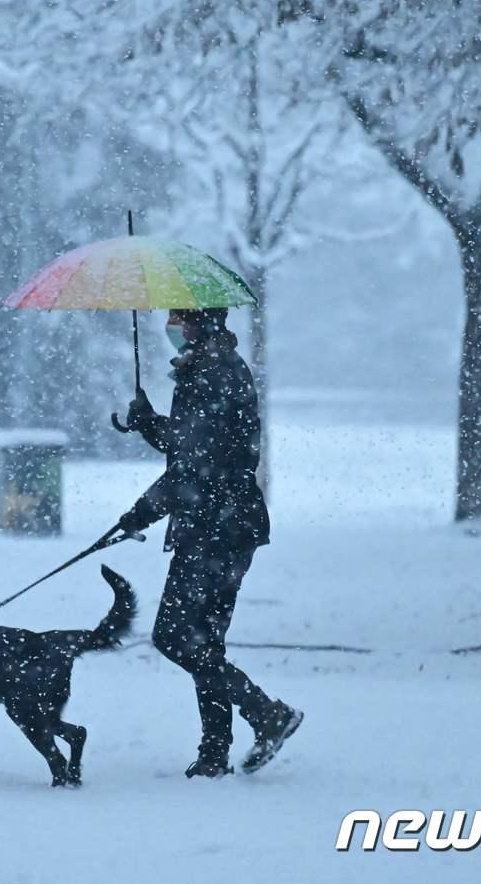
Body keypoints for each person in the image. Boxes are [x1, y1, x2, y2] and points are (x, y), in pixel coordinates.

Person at [115, 307, 302, 778]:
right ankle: (215, 752)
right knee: (205, 642)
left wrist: (139, 514)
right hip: (227, 523)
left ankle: (266, 713)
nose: (172, 328)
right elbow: (192, 446)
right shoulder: (215, 369)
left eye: (180, 319)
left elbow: (193, 468)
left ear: (202, 324)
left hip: (214, 529)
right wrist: (149, 422)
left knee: (174, 637)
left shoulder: (211, 376)